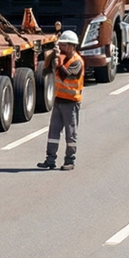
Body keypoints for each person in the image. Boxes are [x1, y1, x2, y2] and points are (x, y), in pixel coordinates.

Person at [38, 30, 85, 170]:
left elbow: (66, 75)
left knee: (71, 134)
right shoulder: (60, 59)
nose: (62, 48)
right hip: (58, 100)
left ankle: (70, 160)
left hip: (71, 103)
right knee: (53, 132)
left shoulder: (77, 62)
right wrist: (51, 58)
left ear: (71, 46)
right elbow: (46, 72)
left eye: (64, 45)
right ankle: (50, 160)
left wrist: (58, 63)